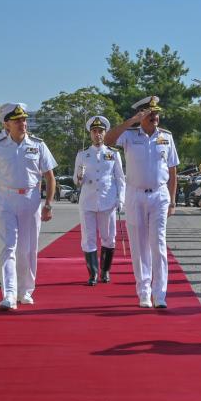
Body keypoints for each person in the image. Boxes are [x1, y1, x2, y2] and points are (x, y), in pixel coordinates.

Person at [104, 96, 179, 309]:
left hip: (159, 195)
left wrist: (173, 201)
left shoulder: (166, 137)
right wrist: (131, 121)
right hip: (135, 194)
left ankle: (160, 294)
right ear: (141, 115)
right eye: (150, 113)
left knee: (158, 244)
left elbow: (173, 171)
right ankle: (144, 291)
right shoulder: (128, 135)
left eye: (156, 113)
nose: (155, 117)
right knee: (139, 245)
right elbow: (107, 140)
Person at [0, 103, 57, 310]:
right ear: (7, 124)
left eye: (24, 120)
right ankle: (9, 294)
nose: (23, 123)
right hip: (6, 200)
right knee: (9, 247)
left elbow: (50, 177)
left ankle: (25, 291)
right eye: (17, 120)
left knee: (28, 249)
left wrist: (48, 204)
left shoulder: (38, 145)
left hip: (31, 201)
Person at [73, 116, 126, 286]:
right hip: (88, 201)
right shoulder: (82, 155)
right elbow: (76, 180)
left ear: (105, 133)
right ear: (90, 134)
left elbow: (120, 178)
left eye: (100, 131)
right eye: (94, 131)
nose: (97, 134)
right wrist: (79, 176)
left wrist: (121, 199)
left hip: (107, 200)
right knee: (88, 238)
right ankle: (93, 273)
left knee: (109, 237)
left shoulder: (113, 154)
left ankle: (105, 270)